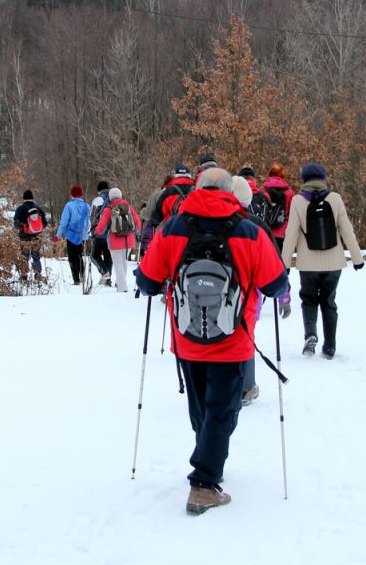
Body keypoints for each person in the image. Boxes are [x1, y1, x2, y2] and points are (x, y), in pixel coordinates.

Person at [136, 167, 288, 515]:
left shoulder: (173, 227)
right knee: (222, 411)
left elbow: (146, 281)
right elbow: (276, 284)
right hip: (234, 338)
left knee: (203, 409)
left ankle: (207, 456)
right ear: (229, 191)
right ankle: (204, 484)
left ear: (197, 189)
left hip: (186, 337)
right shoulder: (248, 230)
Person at [281, 162, 364, 359]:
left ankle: (310, 334)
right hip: (334, 263)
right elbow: (346, 230)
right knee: (329, 302)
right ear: (324, 178)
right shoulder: (335, 199)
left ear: (304, 180)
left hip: (307, 264)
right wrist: (356, 257)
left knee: (309, 300)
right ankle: (330, 346)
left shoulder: (298, 201)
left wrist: (284, 264)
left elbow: (291, 234)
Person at [94, 187, 141, 292]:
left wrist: (95, 232)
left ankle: (122, 287)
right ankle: (120, 283)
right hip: (129, 240)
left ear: (110, 197)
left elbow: (101, 225)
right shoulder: (129, 208)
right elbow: (137, 222)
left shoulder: (109, 209)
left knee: (118, 264)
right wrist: (138, 232)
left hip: (115, 241)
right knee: (123, 262)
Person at [54, 185, 91, 285]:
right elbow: (89, 222)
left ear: (72, 194)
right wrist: (87, 235)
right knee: (79, 256)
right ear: (81, 194)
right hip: (82, 236)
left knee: (72, 257)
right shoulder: (87, 206)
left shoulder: (69, 205)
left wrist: (58, 234)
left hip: (71, 236)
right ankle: (83, 276)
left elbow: (64, 222)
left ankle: (76, 279)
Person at [13, 189, 47, 281]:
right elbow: (45, 223)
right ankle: (37, 273)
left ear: (24, 198)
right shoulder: (38, 208)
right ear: (32, 198)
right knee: (36, 255)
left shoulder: (20, 209)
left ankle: (24, 275)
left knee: (24, 256)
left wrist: (24, 228)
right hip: (37, 236)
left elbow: (16, 224)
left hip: (24, 236)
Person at [262, 163, 295, 252]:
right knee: (281, 260)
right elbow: (291, 213)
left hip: (266, 230)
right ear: (283, 174)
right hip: (282, 231)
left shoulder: (263, 190)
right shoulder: (289, 192)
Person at [89, 181, 113, 285]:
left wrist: (93, 230)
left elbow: (93, 216)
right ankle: (108, 280)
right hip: (111, 232)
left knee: (94, 255)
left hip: (100, 232)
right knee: (108, 256)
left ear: (99, 190)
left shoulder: (98, 200)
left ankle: (104, 272)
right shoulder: (113, 199)